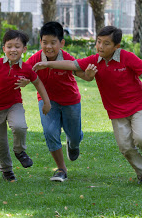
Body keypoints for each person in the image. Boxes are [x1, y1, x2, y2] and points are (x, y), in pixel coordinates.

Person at [33, 26, 142, 184]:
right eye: (98, 42)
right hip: (116, 111)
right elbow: (73, 65)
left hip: (138, 106)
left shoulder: (126, 57)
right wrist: (48, 64)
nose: (100, 46)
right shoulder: (93, 61)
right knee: (125, 147)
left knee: (141, 137)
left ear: (116, 46)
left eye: (106, 43)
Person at [0, 30, 51, 182]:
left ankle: (19, 151)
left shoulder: (26, 68)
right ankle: (7, 171)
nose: (13, 50)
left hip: (14, 105)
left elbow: (38, 82)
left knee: (20, 127)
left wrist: (47, 101)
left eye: (17, 46)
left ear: (24, 49)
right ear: (3, 48)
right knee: (0, 143)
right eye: (9, 46)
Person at [24, 21, 96, 182]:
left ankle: (73, 143)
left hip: (70, 101)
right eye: (45, 42)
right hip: (47, 101)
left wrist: (90, 75)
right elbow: (24, 74)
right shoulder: (35, 59)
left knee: (75, 136)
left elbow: (84, 76)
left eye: (53, 43)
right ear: (40, 42)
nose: (48, 47)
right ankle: (61, 169)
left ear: (61, 43)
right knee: (50, 132)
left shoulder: (67, 58)